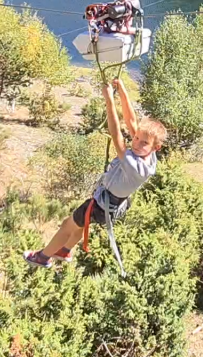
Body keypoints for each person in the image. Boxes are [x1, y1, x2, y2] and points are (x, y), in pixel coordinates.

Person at [24, 78, 166, 268]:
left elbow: (116, 135)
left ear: (156, 147)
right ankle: (64, 251)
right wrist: (122, 91)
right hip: (110, 204)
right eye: (137, 138)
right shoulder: (148, 153)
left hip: (102, 205)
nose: (137, 143)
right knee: (78, 222)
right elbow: (132, 121)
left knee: (67, 226)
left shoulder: (137, 167)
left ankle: (42, 257)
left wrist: (109, 99)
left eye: (143, 142)